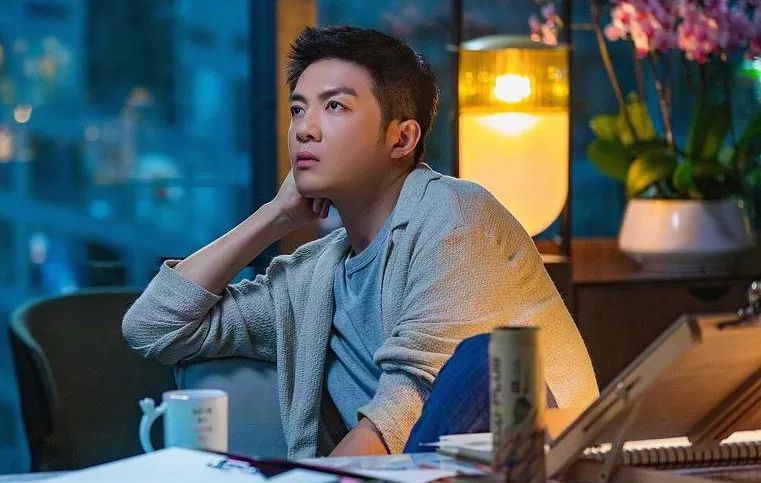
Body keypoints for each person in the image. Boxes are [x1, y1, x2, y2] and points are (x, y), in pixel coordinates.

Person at [122, 25, 598, 459]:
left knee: (482, 358)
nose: (305, 128)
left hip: (541, 481)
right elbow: (152, 327)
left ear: (402, 138)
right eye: (298, 108)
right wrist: (273, 216)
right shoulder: (315, 276)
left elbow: (408, 407)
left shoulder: (457, 220)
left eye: (335, 106)